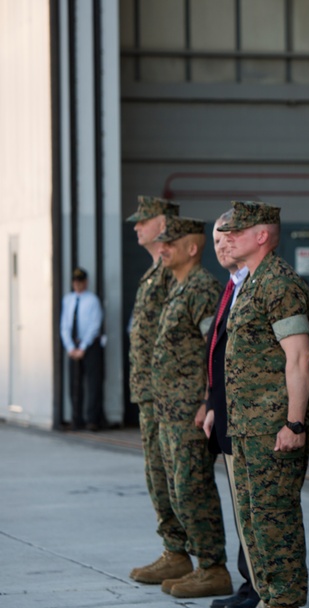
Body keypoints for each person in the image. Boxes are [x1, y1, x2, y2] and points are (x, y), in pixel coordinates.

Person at [220, 200, 309, 608]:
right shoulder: (253, 283)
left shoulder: (279, 284)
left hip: (273, 427)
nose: (228, 238)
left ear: (262, 235)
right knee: (255, 521)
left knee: (275, 521)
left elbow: (299, 357)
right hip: (247, 427)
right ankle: (270, 605)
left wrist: (294, 422)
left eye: (238, 231)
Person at [151, 215, 231, 599]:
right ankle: (197, 561)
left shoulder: (201, 288)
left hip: (189, 411)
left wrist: (206, 400)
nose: (161, 248)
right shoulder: (178, 287)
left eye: (170, 242)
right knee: (177, 488)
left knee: (193, 487)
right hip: (169, 410)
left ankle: (213, 567)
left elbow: (213, 350)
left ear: (192, 247)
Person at [125, 195, 194, 586]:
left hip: (170, 394)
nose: (136, 227)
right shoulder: (156, 271)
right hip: (150, 392)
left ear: (164, 223)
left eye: (144, 220)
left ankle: (186, 552)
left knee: (177, 477)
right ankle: (174, 549)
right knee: (157, 475)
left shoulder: (173, 273)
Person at [202, 211, 261, 608]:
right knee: (242, 507)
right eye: (217, 239)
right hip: (228, 413)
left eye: (228, 237)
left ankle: (258, 588)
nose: (221, 244)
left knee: (257, 509)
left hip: (254, 417)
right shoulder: (234, 285)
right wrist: (211, 403)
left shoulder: (259, 285)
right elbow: (218, 353)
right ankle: (249, 583)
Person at [60, 267, 105, 431]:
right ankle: (76, 418)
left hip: (89, 345)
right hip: (74, 344)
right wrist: (71, 347)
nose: (77, 285)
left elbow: (95, 325)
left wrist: (83, 347)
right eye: (75, 282)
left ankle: (92, 419)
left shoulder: (92, 300)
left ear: (85, 282)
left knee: (93, 383)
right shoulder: (68, 299)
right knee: (74, 383)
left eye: (80, 281)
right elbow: (64, 325)